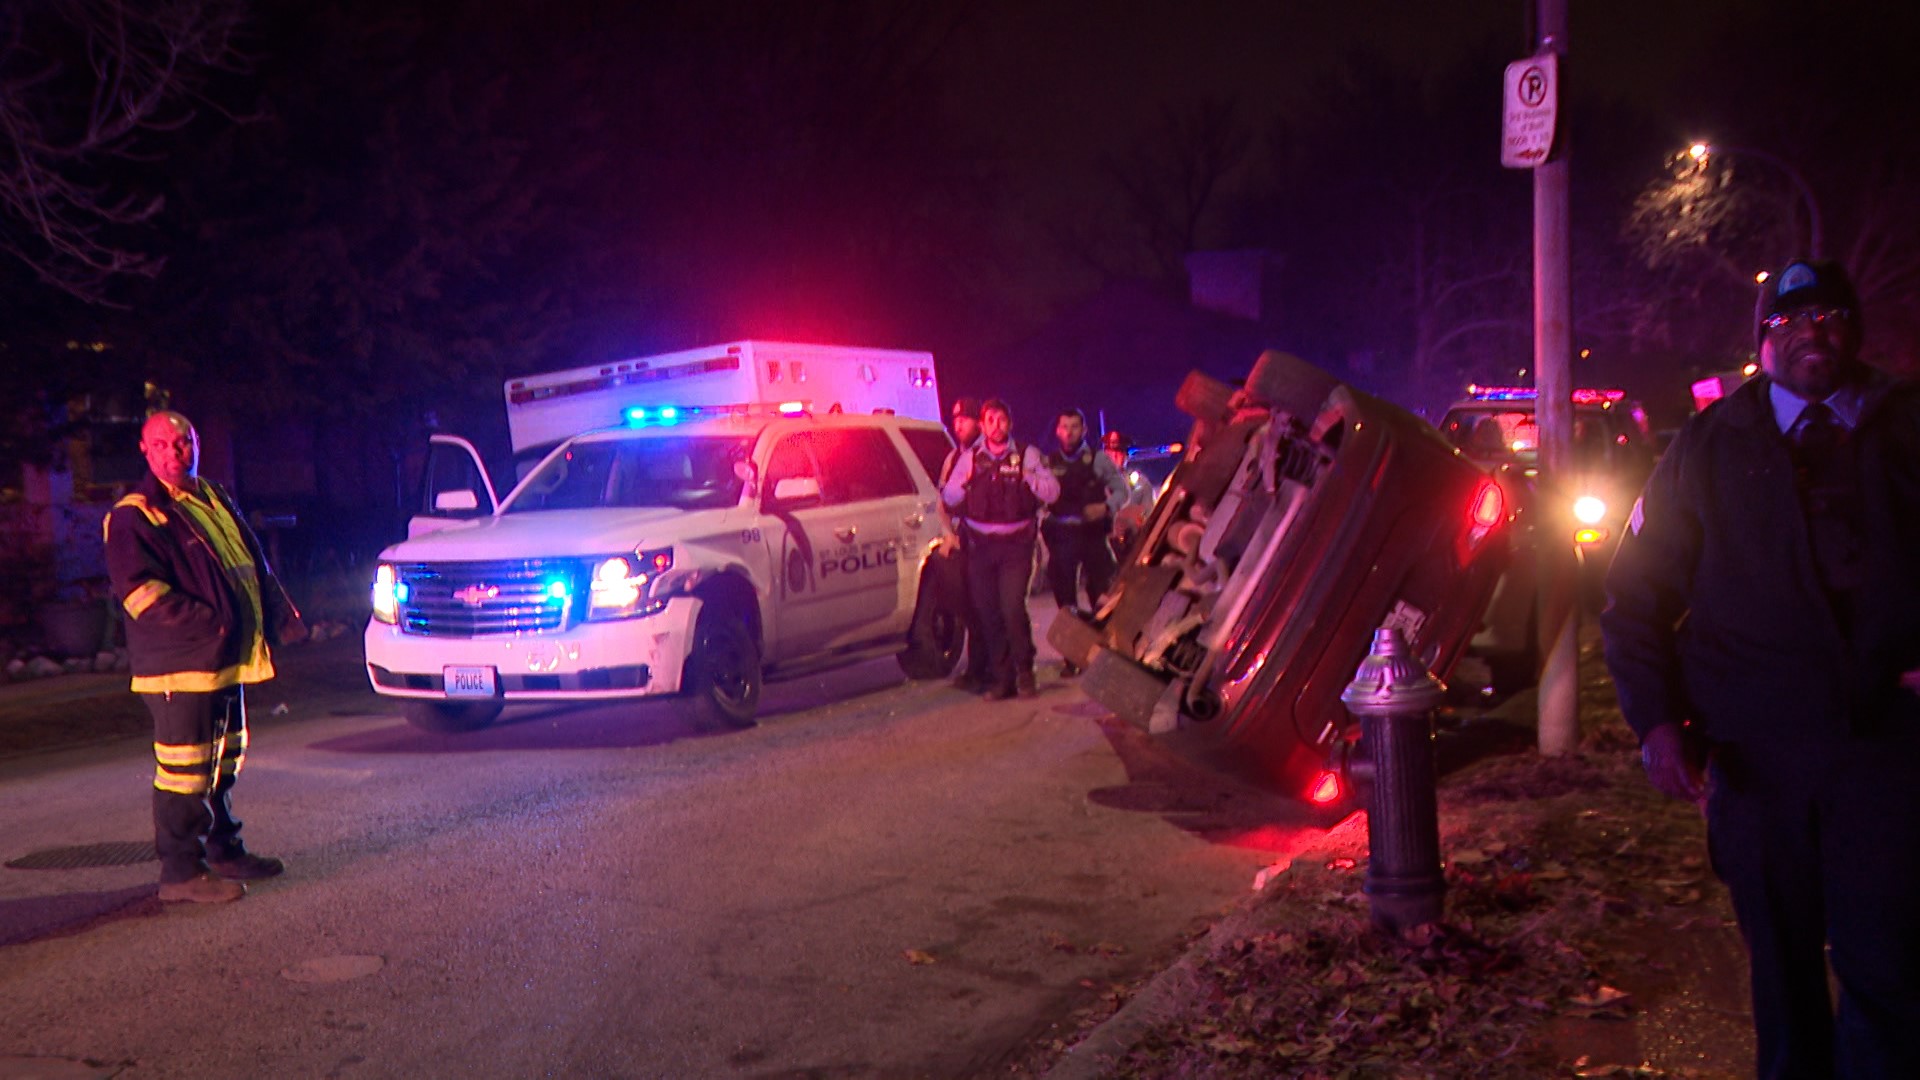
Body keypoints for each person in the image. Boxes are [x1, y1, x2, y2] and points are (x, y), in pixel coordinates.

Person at [1601, 259, 1920, 1079]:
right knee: (1780, 967)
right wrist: (1658, 721)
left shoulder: (1904, 427)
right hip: (1757, 753)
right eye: (1792, 320)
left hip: (1885, 751)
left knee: (1890, 962)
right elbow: (1637, 592)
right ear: (1763, 341)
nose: (1815, 333)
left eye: (1832, 317)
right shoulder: (1712, 446)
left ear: (1855, 330)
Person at [105, 411, 307, 904]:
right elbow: (141, 596)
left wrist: (281, 612)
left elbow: (251, 563)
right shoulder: (136, 515)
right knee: (185, 769)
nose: (176, 452)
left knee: (223, 759)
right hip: (181, 666)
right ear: (145, 450)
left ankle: (224, 849)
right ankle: (180, 873)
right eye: (164, 444)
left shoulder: (213, 497)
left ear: (196, 444)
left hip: (223, 659)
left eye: (184, 442)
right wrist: (213, 624)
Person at [941, 399, 1059, 699]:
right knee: (988, 613)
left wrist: (1025, 476)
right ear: (982, 425)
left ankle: (1024, 672)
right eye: (990, 420)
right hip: (981, 549)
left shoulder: (1026, 453)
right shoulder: (970, 458)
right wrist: (968, 480)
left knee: (1012, 608)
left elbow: (1053, 491)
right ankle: (1002, 679)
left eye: (1001, 419)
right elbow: (949, 495)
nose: (996, 426)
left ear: (1010, 423)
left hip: (1015, 548)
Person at [1040, 409, 1126, 676]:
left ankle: (1110, 655)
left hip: (1092, 536)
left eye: (1075, 427)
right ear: (1057, 431)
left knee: (1102, 597)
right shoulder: (1048, 462)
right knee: (1066, 603)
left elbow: (1122, 490)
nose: (1069, 432)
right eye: (1064, 427)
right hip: (1062, 537)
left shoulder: (1098, 460)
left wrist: (1106, 507)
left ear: (1084, 430)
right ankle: (1073, 658)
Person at [936, 397, 992, 692]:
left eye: (965, 419)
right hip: (961, 541)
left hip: (985, 542)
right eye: (956, 419)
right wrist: (948, 534)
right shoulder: (952, 458)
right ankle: (977, 668)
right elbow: (942, 501)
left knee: (986, 607)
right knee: (967, 608)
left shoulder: (988, 454)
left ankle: (991, 669)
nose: (959, 424)